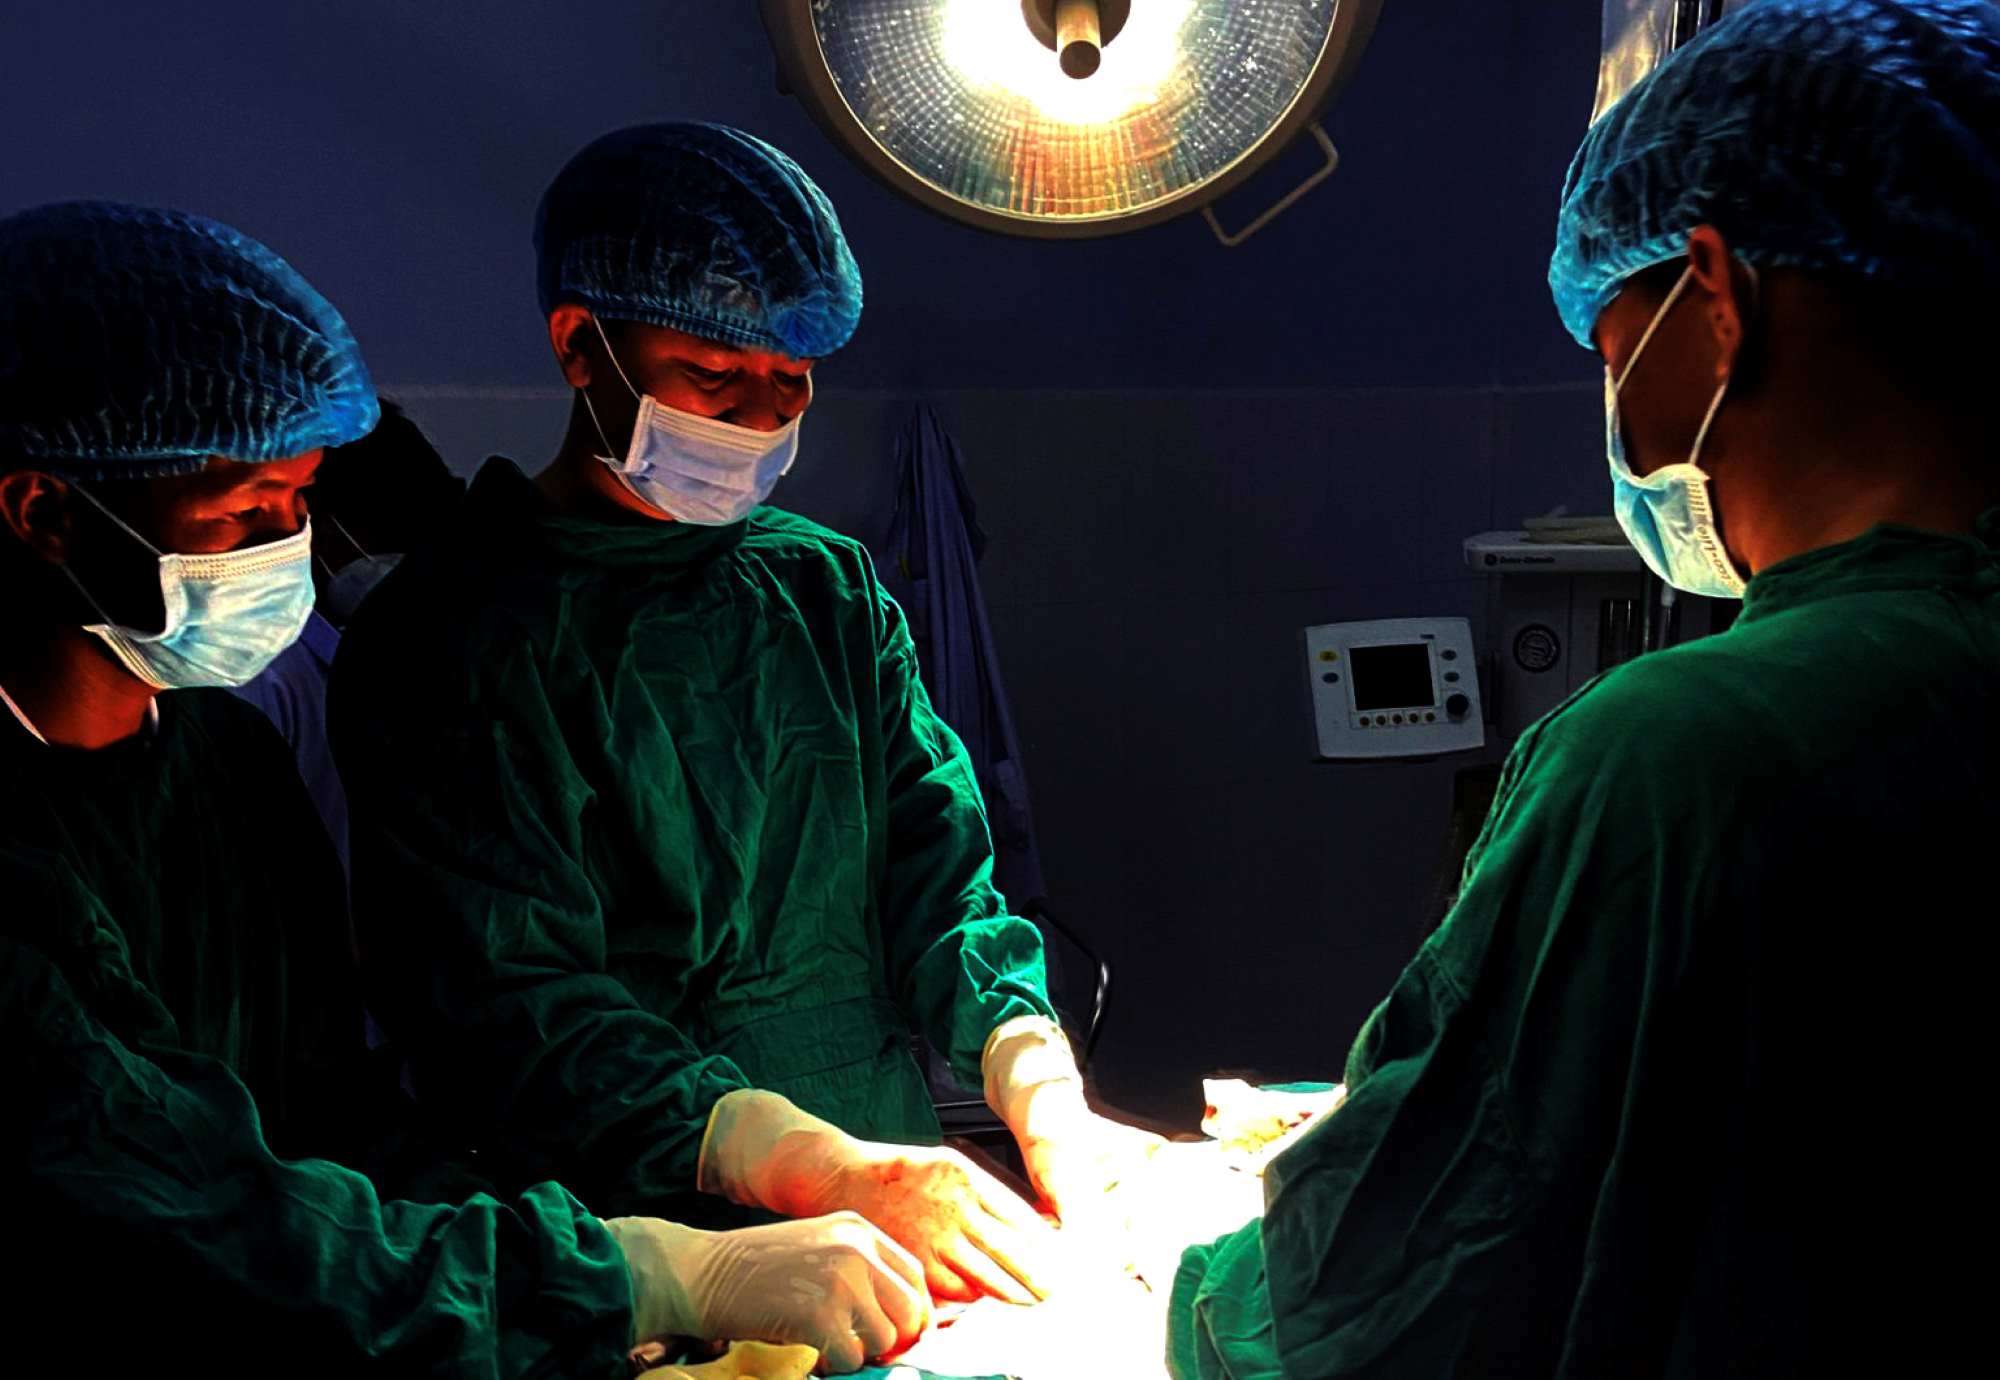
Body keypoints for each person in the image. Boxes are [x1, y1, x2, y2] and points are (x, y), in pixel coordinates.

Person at [1160, 1, 2000, 1375]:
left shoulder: (1680, 761)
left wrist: (1196, 1284)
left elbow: (1381, 1316)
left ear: (1717, 300)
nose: (1613, 416)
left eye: (1615, 356)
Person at [1, 200, 928, 1375]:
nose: (289, 550)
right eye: (243, 513)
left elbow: (336, 1119)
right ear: (44, 511)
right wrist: (631, 1274)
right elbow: (186, 1202)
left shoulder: (224, 770)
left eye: (300, 505)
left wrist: (588, 1302)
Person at [331, 122, 1160, 1307]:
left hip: (896, 1214)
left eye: (791, 382)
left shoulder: (819, 587)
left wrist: (1029, 1070)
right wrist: (806, 1166)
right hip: (625, 1249)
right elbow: (515, 1009)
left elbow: (938, 885)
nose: (760, 419)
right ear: (580, 345)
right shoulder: (454, 635)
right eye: (714, 378)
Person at [230, 398, 463, 873]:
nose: (405, 564)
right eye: (386, 537)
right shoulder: (261, 672)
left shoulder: (407, 662)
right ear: (310, 522)